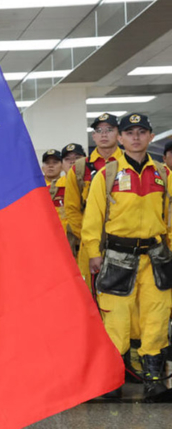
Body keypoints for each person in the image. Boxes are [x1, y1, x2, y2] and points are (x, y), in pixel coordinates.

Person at [83, 112, 172, 401]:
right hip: (118, 258)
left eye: (141, 132)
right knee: (116, 321)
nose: (135, 137)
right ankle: (111, 381)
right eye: (129, 132)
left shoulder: (165, 174)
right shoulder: (106, 174)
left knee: (155, 319)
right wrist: (93, 254)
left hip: (157, 259)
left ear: (151, 137)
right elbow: (93, 219)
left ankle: (154, 381)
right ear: (120, 138)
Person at [64, 113, 124, 291]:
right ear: (94, 136)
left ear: (119, 135)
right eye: (99, 130)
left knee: (123, 294)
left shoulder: (128, 164)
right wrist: (90, 238)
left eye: (109, 130)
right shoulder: (80, 169)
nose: (104, 134)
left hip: (123, 244)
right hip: (91, 246)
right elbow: (72, 209)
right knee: (90, 293)